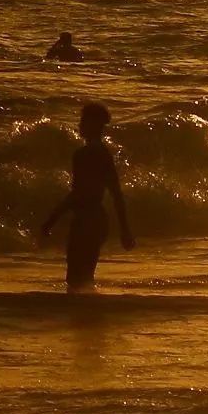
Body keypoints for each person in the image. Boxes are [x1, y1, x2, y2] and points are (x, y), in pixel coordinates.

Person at [39, 103, 133, 291]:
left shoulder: (82, 155)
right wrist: (124, 230)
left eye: (83, 121)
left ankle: (81, 317)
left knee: (74, 279)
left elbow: (77, 194)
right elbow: (116, 194)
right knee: (86, 277)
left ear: (94, 124)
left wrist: (51, 220)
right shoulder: (105, 154)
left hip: (85, 220)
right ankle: (89, 316)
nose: (80, 125)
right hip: (99, 221)